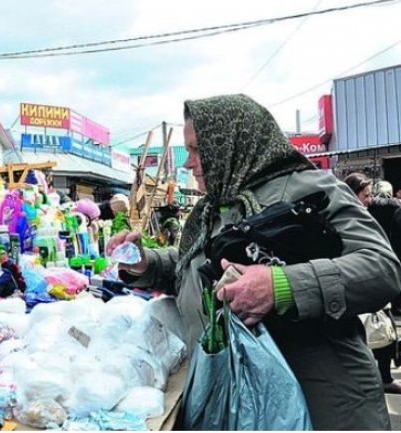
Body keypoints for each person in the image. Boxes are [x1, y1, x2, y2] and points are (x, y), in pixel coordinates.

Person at [106, 94, 401, 430]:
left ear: (231, 143)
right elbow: (199, 271)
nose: (189, 164)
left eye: (197, 150)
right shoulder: (212, 209)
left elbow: (381, 268)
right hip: (243, 406)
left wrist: (280, 286)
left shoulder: (311, 189)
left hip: (321, 408)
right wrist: (145, 264)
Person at [344, 173, 401, 394]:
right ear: (352, 194)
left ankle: (385, 377)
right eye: (365, 195)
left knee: (385, 332)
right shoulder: (344, 217)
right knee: (360, 336)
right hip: (357, 286)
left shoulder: (368, 212)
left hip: (375, 284)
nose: (369, 199)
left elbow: (388, 203)